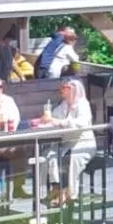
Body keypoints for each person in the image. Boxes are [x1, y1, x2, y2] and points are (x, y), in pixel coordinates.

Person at [35, 77, 96, 206]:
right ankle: (55, 187)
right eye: (62, 88)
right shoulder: (63, 105)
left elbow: (81, 124)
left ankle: (68, 193)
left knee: (71, 160)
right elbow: (53, 118)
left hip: (83, 144)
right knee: (48, 155)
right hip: (65, 143)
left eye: (65, 88)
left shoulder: (83, 105)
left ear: (73, 90)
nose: (62, 91)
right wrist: (44, 121)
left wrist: (60, 122)